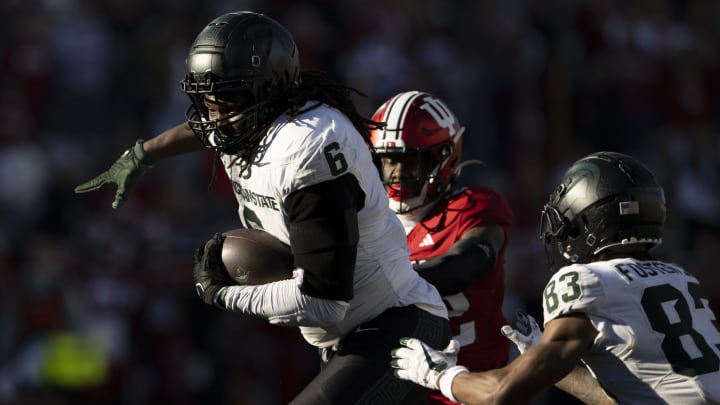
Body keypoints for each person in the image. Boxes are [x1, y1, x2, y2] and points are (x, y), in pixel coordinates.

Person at [74, 11, 451, 404]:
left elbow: (323, 303)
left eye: (227, 98)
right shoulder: (249, 119)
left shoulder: (307, 146)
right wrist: (143, 154)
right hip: (351, 338)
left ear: (270, 89)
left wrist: (223, 295)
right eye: (206, 99)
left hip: (399, 325)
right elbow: (203, 129)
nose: (214, 114)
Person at [390, 151, 720, 404]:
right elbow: (622, 397)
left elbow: (499, 394)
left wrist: (440, 376)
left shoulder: (587, 281)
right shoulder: (678, 277)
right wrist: (547, 361)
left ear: (590, 224)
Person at [369, 91, 513, 404]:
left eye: (410, 161)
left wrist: (389, 279)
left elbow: (471, 259)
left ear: (446, 158)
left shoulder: (471, 206)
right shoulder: (365, 223)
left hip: (471, 388)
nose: (397, 173)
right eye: (389, 160)